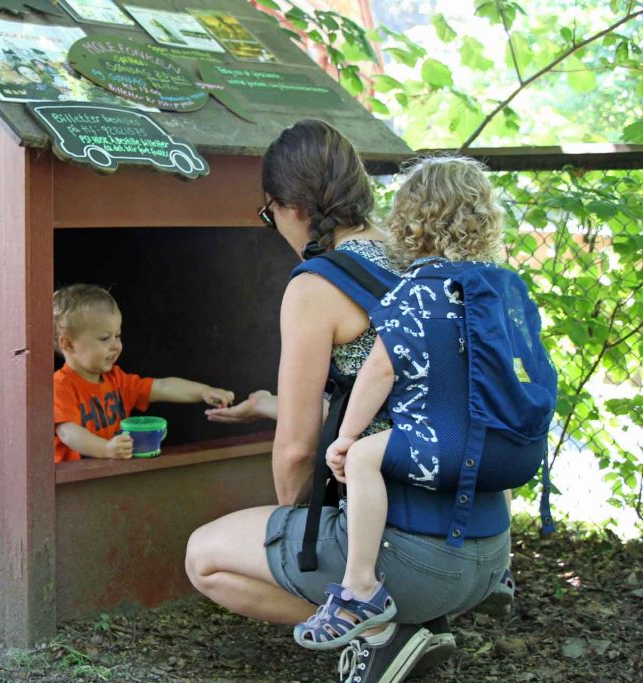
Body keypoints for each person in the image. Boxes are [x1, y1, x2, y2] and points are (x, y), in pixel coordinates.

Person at [184, 120, 512, 683]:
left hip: (414, 555)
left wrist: (298, 528)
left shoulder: (316, 285)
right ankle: (408, 618)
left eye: (270, 215)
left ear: (289, 206)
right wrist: (273, 403)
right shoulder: (421, 253)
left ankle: (386, 627)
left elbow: (295, 451)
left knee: (205, 557)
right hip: (488, 545)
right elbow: (415, 384)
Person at [294, 156, 545, 651]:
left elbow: (380, 371)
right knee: (482, 441)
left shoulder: (416, 292)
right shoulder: (503, 287)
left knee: (366, 456)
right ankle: (501, 573)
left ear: (409, 220)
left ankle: (360, 589)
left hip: (450, 446)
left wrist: (345, 438)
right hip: (515, 447)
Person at [53, 284, 234, 463]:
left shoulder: (117, 380)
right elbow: (68, 432)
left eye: (117, 336)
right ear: (68, 344)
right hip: (76, 485)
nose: (116, 345)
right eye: (104, 338)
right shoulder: (60, 386)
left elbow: (161, 386)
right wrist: (105, 449)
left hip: (110, 476)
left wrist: (204, 391)